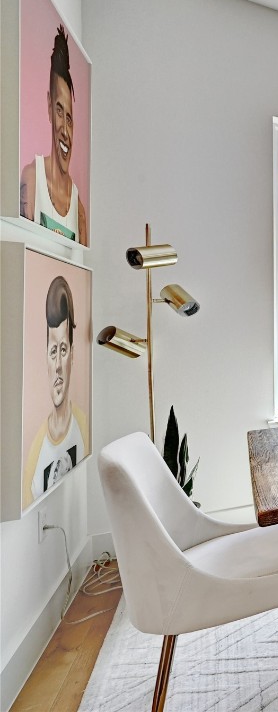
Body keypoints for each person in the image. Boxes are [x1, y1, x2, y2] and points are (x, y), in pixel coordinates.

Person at [24, 276, 89, 507]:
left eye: (63, 349)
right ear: (46, 357)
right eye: (53, 351)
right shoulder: (34, 457)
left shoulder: (83, 428)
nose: (58, 365)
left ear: (73, 354)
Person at [20, 25, 87, 245]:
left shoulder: (78, 211)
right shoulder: (31, 178)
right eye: (59, 110)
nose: (65, 132)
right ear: (49, 106)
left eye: (70, 118)